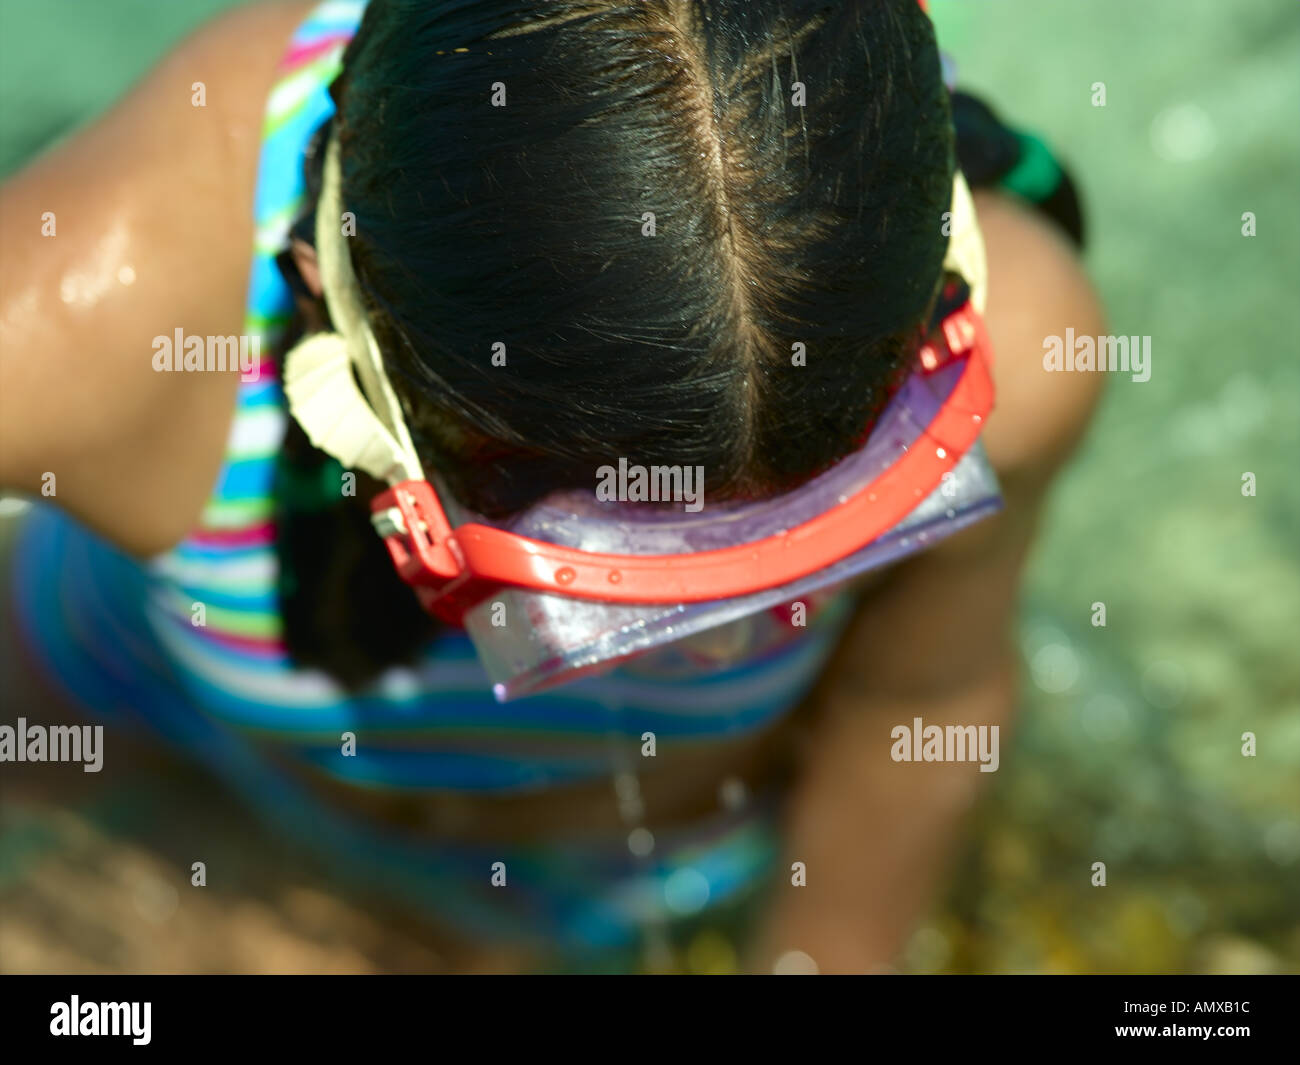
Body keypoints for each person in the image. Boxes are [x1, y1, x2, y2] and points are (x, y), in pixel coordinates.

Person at [0, 0, 1106, 973]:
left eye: (822, 540)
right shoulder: (87, 328)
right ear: (346, 353)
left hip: (607, 881)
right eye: (612, 577)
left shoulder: (1016, 364)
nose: (713, 644)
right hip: (147, 742)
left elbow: (912, 707)